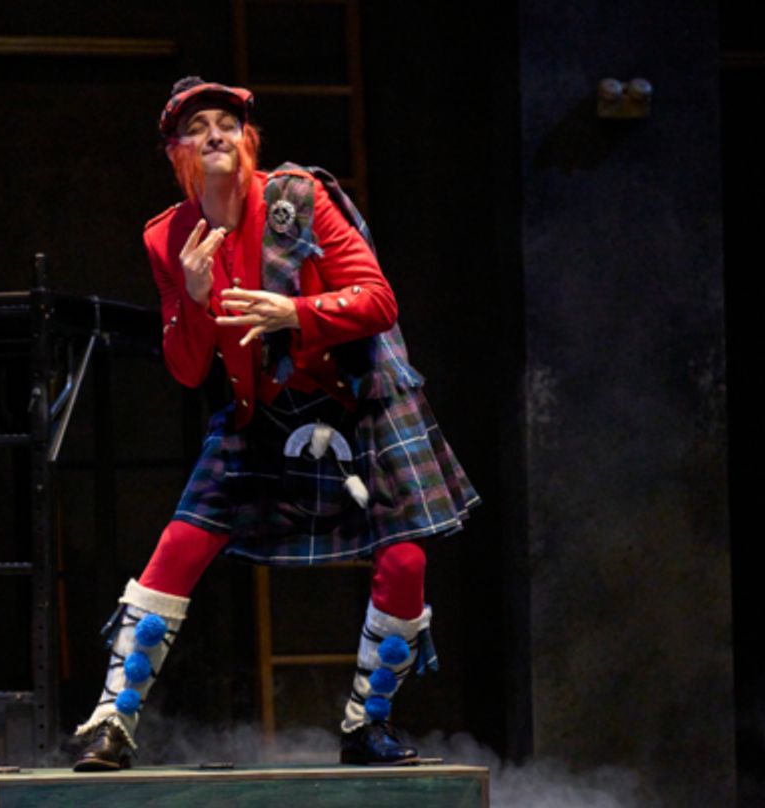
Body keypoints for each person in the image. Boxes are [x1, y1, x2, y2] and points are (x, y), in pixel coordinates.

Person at [72, 76, 479, 771]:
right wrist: (194, 298)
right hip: (260, 410)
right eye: (197, 126)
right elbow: (185, 368)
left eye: (228, 123)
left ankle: (368, 725)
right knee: (180, 544)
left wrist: (296, 313)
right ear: (176, 152)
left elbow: (379, 300)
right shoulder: (168, 238)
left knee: (405, 559)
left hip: (354, 400)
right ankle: (111, 723)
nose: (215, 133)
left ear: (248, 140)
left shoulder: (299, 200)